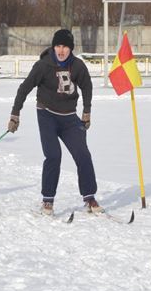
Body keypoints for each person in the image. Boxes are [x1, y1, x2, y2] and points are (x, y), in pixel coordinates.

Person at [8, 28, 102, 215]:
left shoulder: (77, 66)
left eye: (65, 47)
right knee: (53, 155)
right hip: (47, 115)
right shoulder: (43, 65)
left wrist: (87, 111)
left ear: (71, 49)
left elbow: (87, 87)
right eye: (58, 46)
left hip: (69, 118)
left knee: (83, 154)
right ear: (53, 46)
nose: (61, 50)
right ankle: (48, 201)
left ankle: (89, 197)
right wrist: (15, 114)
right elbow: (24, 88)